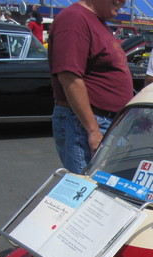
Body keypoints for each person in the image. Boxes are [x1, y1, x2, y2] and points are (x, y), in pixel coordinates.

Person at [48, 0, 133, 173]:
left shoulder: (96, 20)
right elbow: (69, 77)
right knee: (85, 189)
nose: (123, 2)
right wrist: (93, 130)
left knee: (103, 190)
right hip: (84, 124)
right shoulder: (74, 19)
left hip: (104, 122)